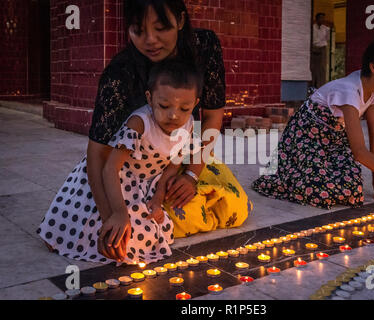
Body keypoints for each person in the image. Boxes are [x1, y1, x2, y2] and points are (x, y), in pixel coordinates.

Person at [64, 0, 249, 262]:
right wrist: (110, 217)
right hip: (129, 172)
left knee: (230, 203)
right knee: (128, 234)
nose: (150, 40)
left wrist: (191, 176)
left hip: (177, 159)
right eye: (138, 30)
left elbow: (211, 117)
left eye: (161, 28)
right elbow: (98, 156)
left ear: (181, 20)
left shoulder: (203, 47)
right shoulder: (120, 73)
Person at [37, 60, 203, 264]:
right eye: (164, 105)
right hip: (115, 181)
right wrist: (118, 212)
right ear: (150, 99)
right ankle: (62, 235)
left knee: (146, 236)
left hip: (144, 184)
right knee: (110, 233)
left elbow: (173, 166)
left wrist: (157, 199)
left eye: (184, 108)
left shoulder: (189, 125)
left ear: (194, 104)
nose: (174, 115)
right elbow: (109, 169)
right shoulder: (140, 123)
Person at [252, 37, 374, 209]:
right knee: (321, 190)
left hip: (333, 140)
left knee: (352, 189)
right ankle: (285, 177)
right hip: (305, 140)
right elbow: (359, 151)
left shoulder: (373, 90)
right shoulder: (349, 90)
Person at [311, 13, 331, 88]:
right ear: (317, 19)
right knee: (313, 68)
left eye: (323, 18)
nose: (322, 20)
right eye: (320, 18)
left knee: (322, 68)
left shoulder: (326, 28)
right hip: (314, 48)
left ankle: (321, 86)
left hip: (322, 48)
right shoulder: (313, 28)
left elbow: (327, 39)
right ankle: (313, 85)